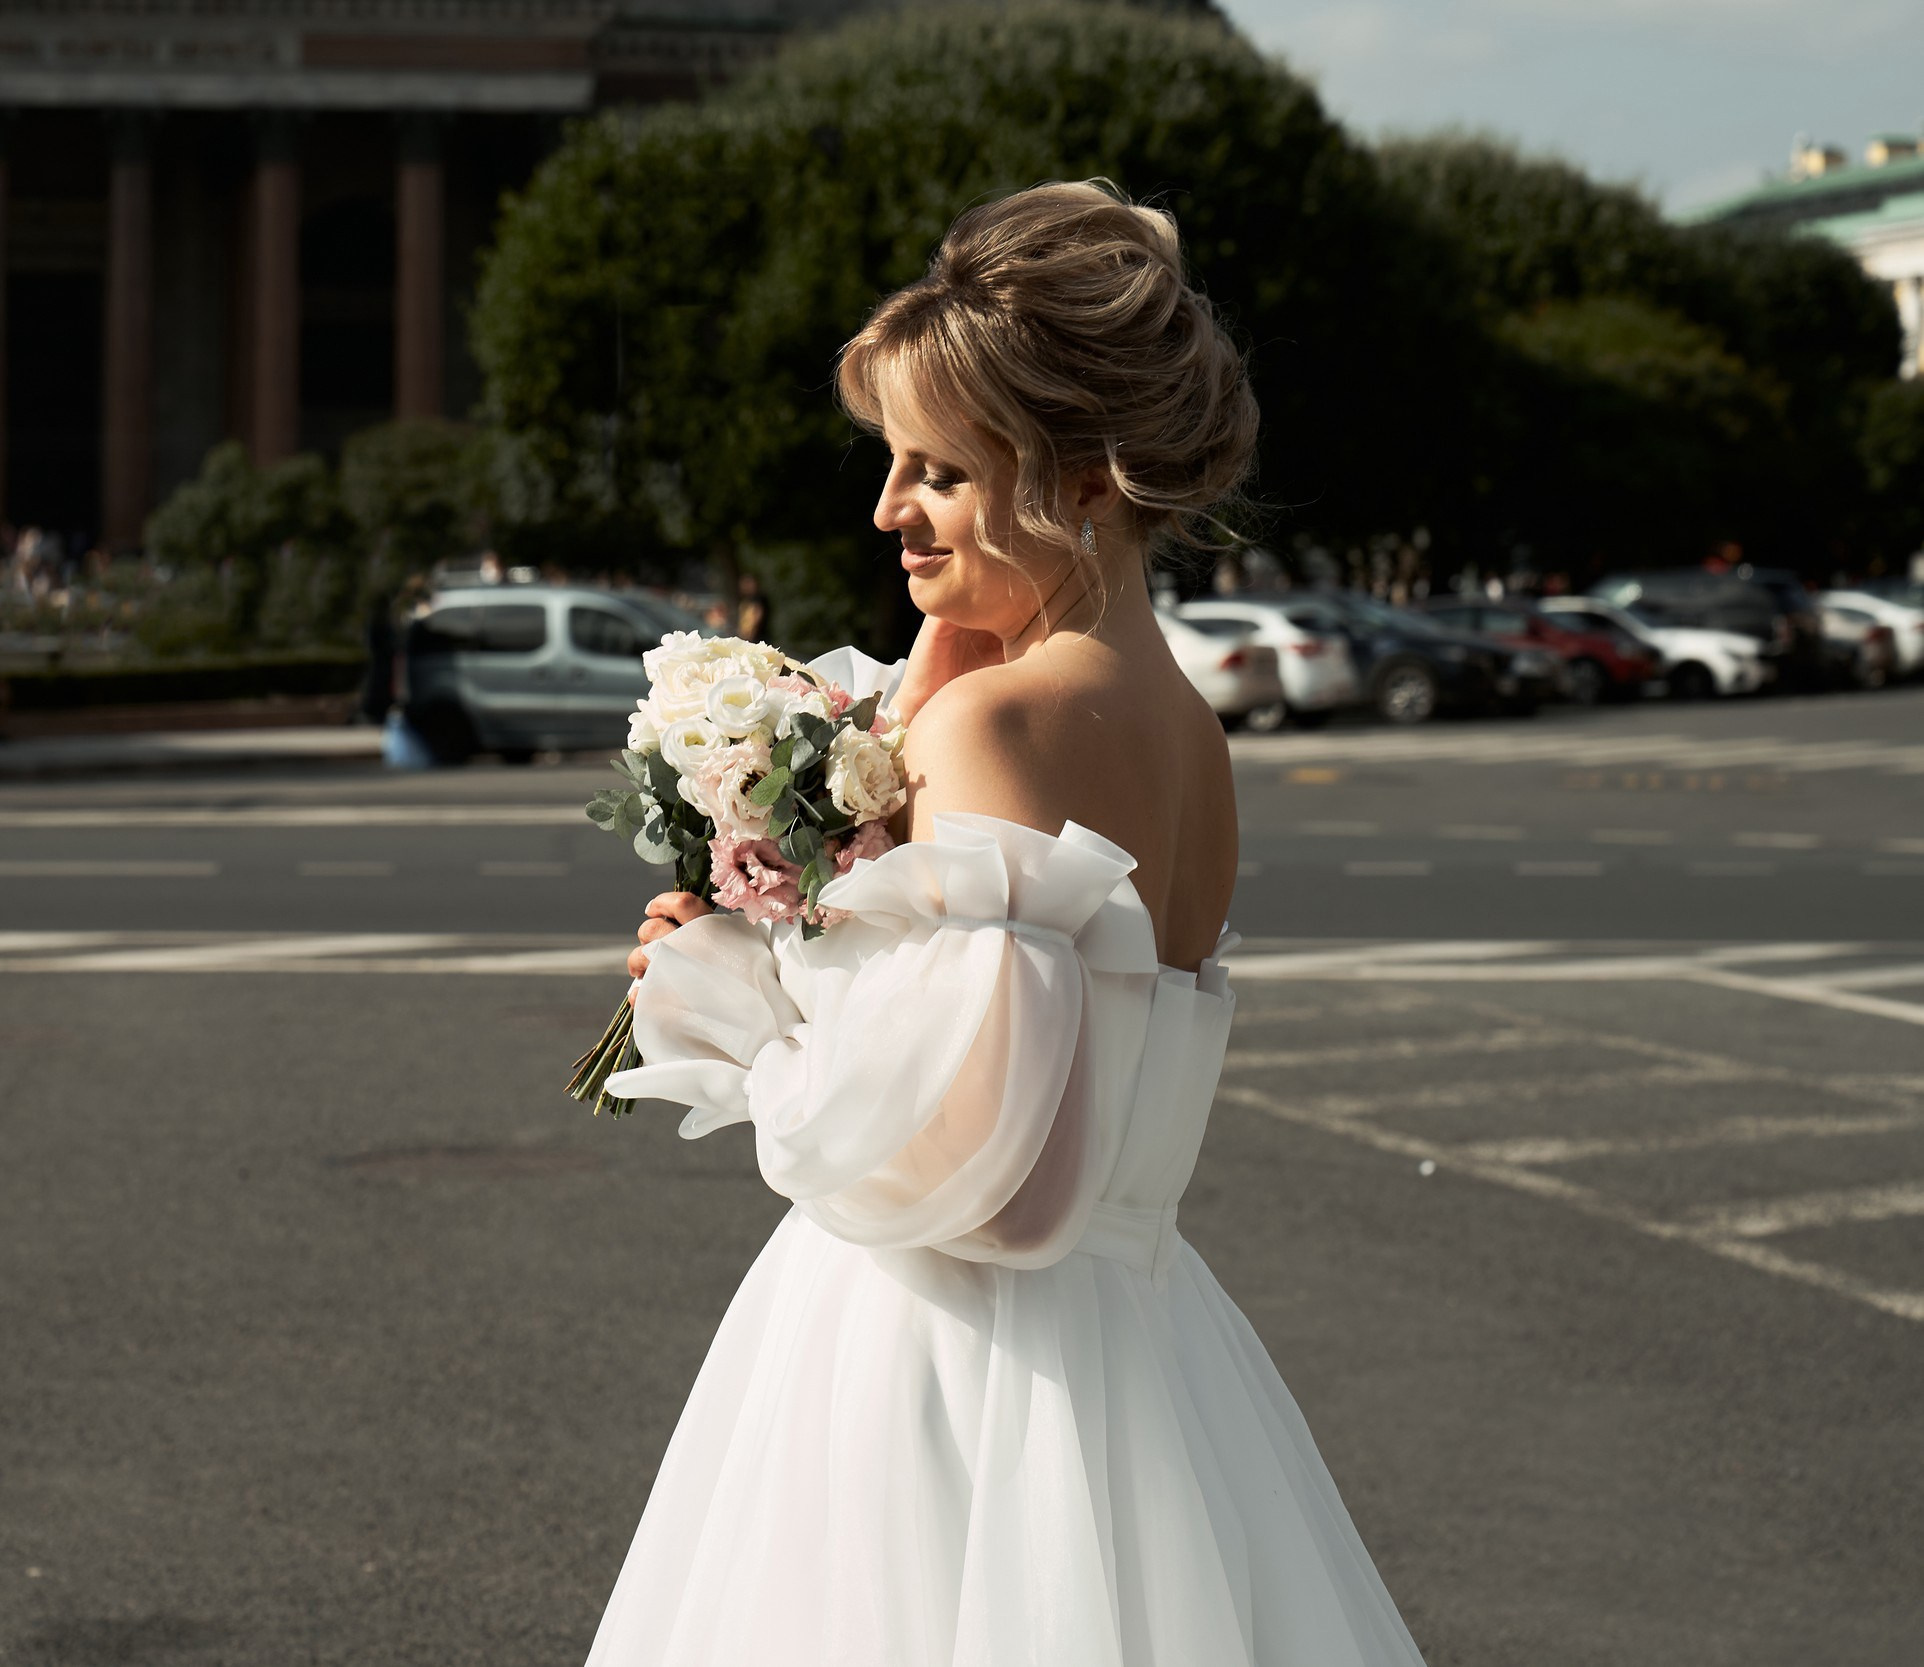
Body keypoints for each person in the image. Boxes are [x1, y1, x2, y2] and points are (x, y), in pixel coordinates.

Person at [590, 182, 1428, 1665]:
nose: (887, 510)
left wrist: (735, 1004)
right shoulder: (1188, 733)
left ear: (1087, 480)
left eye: (940, 474)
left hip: (940, 1362)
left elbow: (990, 1190)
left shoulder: (996, 724)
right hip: (1146, 1353)